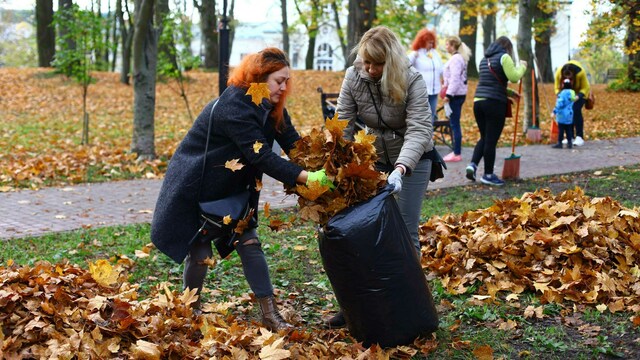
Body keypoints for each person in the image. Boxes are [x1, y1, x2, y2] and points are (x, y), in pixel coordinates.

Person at [150, 48, 331, 331]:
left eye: (286, 81)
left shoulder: (271, 108)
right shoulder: (234, 105)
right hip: (198, 186)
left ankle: (270, 315)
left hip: (233, 189)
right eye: (278, 81)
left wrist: (325, 165)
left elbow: (294, 145)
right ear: (258, 78)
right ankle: (191, 309)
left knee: (250, 243)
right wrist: (307, 178)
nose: (284, 87)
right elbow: (260, 155)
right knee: (199, 255)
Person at [330, 25, 434, 328]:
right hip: (373, 157)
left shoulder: (411, 79)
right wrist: (334, 164)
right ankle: (356, 304)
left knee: (404, 231)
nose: (371, 69)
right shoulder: (354, 76)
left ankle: (409, 305)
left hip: (413, 159)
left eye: (377, 64)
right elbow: (343, 123)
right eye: (366, 62)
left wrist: (401, 169)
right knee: (359, 231)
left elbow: (419, 129)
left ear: (390, 61)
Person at [466, 36, 526, 186]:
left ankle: (472, 165)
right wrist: (523, 66)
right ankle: (488, 175)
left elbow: (491, 83)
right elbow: (514, 77)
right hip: (494, 104)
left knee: (485, 137)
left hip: (478, 102)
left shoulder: (483, 60)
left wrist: (511, 94)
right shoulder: (504, 57)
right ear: (507, 47)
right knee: (491, 140)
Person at [440, 35, 472, 163]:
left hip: (455, 96)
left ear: (453, 45)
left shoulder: (456, 59)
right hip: (458, 95)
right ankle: (455, 151)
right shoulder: (458, 58)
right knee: (454, 123)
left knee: (454, 124)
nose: (446, 46)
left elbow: (455, 79)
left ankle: (457, 153)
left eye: (447, 44)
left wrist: (449, 95)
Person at [408, 28, 444, 124]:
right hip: (421, 91)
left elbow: (441, 69)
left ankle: (429, 137)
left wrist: (446, 80)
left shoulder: (435, 54)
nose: (431, 45)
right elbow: (405, 65)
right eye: (429, 42)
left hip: (434, 91)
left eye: (432, 43)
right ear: (422, 42)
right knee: (421, 117)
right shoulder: (416, 53)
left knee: (431, 116)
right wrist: (413, 56)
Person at [554, 60, 591, 146]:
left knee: (575, 109)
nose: (568, 80)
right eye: (565, 78)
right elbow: (556, 87)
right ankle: (570, 136)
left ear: (574, 76)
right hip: (566, 94)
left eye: (570, 78)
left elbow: (586, 87)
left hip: (579, 93)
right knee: (567, 113)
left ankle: (579, 136)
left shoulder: (580, 73)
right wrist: (560, 95)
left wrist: (578, 96)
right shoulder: (558, 73)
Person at [551, 78, 577, 149]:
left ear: (563, 85)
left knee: (561, 129)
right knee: (569, 129)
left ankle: (560, 143)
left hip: (562, 115)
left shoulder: (562, 93)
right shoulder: (572, 93)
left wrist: (554, 112)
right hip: (570, 114)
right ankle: (570, 143)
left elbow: (560, 104)